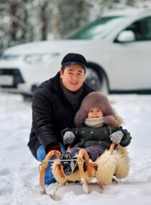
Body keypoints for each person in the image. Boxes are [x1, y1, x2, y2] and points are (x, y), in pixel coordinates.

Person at [27, 53, 94, 185]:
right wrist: (53, 146)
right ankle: (50, 189)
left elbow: (97, 119)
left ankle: (76, 190)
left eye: (79, 73)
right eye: (70, 72)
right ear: (61, 72)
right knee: (57, 158)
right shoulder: (45, 92)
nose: (75, 78)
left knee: (78, 157)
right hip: (45, 141)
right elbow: (41, 124)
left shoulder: (90, 95)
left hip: (75, 141)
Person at [59, 91, 132, 176]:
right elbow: (69, 131)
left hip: (101, 150)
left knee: (92, 150)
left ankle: (84, 162)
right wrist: (68, 134)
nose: (94, 113)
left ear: (104, 112)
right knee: (75, 150)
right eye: (91, 111)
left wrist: (121, 135)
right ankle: (69, 162)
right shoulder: (81, 128)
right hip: (81, 148)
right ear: (85, 113)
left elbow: (126, 138)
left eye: (98, 110)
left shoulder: (109, 127)